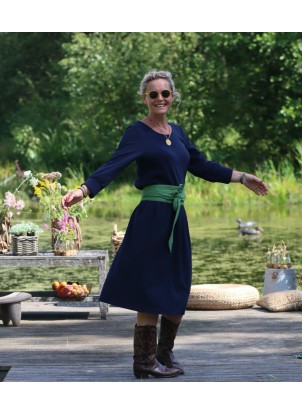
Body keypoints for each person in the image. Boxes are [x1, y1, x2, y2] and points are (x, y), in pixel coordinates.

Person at [61, 69, 268, 379]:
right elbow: (113, 165)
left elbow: (201, 165)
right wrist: (83, 189)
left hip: (176, 217)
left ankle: (163, 354)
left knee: (177, 285)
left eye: (165, 93)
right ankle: (143, 362)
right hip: (151, 218)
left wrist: (241, 177)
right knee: (152, 286)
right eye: (153, 94)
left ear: (173, 97)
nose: (160, 98)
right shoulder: (137, 132)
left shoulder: (178, 132)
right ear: (145, 98)